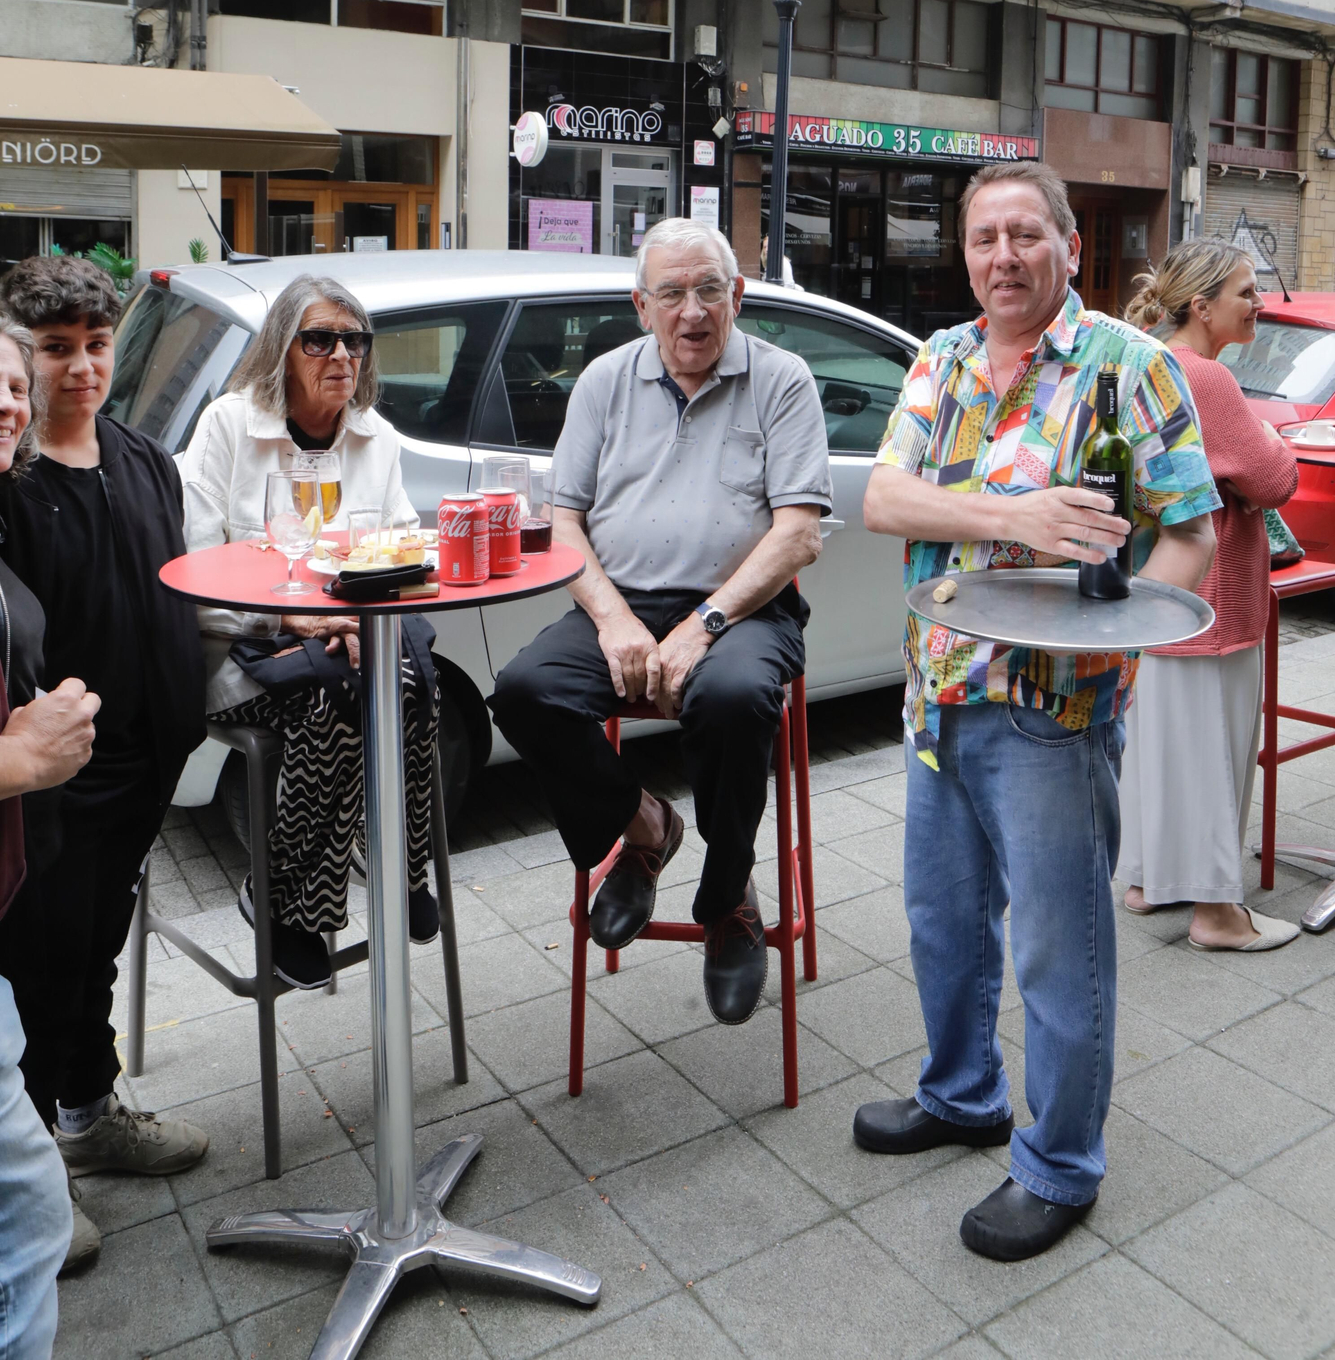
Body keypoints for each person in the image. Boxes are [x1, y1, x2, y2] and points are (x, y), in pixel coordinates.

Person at [855, 160, 1218, 1262]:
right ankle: (963, 1093)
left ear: (1068, 242)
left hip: (1055, 707)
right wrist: (1016, 511)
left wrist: (1139, 648)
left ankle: (1060, 1162)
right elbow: (883, 497)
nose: (1003, 256)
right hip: (941, 690)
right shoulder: (943, 357)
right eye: (983, 238)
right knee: (944, 927)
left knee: (1063, 955)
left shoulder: (1132, 365)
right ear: (964, 254)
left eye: (1025, 233)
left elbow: (1192, 526)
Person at [490, 217, 831, 1023]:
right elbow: (563, 519)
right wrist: (612, 621)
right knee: (523, 691)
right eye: (671, 293)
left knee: (734, 698)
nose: (692, 312)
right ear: (641, 306)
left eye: (709, 290)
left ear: (737, 296)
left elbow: (798, 533)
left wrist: (704, 624)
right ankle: (643, 829)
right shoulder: (605, 381)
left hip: (743, 607)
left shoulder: (782, 380)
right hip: (625, 600)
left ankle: (727, 902)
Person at [0, 260, 210, 1265]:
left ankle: (89, 1113)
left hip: (143, 760)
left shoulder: (144, 457)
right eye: (54, 347)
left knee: (98, 948)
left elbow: (177, 590)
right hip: (48, 781)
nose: (81, 365)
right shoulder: (11, 482)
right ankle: (32, 1159)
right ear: (21, 354)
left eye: (95, 342)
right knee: (40, 961)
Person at [178, 274, 440, 992]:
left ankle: (398, 868)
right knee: (339, 705)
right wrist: (287, 615)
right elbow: (194, 569)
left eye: (355, 341)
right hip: (241, 647)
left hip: (349, 641)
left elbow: (402, 549)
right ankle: (287, 902)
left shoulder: (373, 437)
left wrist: (353, 613)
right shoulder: (230, 426)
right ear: (281, 351)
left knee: (413, 685)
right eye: (319, 339)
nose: (341, 356)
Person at [1121, 241, 1300, 951]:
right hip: (1214, 594)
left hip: (1152, 590)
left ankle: (1146, 880)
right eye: (1244, 291)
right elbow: (1273, 481)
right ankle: (1216, 914)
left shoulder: (1143, 360)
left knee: (1157, 748)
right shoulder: (1209, 381)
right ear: (1201, 306)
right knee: (1213, 754)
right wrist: (1264, 435)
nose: (1258, 304)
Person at [0, 312, 101, 1347]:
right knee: (28, 1217)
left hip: (41, 838)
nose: (10, 401)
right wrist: (20, 757)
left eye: (8, 384)